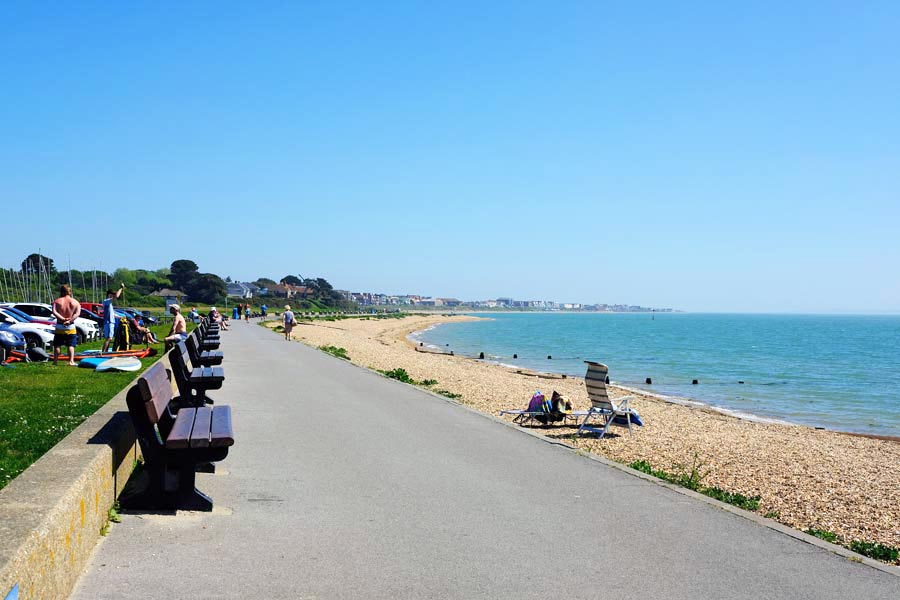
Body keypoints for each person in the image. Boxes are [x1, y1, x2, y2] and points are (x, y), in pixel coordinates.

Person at [51, 284, 81, 366]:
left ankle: (55, 361)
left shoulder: (57, 301)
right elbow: (77, 313)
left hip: (59, 326)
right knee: (71, 345)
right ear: (70, 292)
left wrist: (62, 319)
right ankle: (71, 361)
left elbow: (54, 312)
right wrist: (69, 320)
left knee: (57, 345)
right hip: (70, 326)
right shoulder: (75, 302)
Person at [101, 283, 125, 352]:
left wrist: (121, 317)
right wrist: (121, 288)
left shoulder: (109, 304)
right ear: (109, 294)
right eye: (112, 294)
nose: (113, 296)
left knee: (109, 338)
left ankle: (105, 351)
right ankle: (104, 352)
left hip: (110, 322)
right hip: (108, 322)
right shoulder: (106, 301)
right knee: (109, 338)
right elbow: (117, 296)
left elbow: (113, 314)